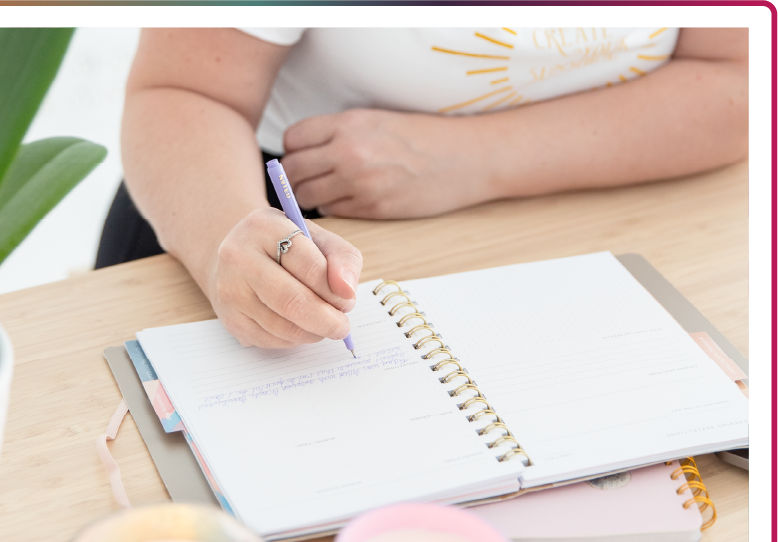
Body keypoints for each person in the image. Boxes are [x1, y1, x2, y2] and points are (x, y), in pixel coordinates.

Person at [96, 27, 747, 349]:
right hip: (272, 208)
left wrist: (470, 160)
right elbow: (179, 90)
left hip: (605, 219)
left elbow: (741, 79)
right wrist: (221, 235)